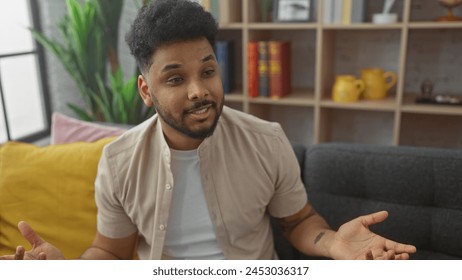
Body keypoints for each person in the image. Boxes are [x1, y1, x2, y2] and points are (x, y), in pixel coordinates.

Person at [1, 0, 416, 260]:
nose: (200, 91)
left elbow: (298, 222)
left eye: (208, 71)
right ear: (146, 89)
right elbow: (110, 250)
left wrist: (334, 244)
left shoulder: (266, 140)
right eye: (176, 79)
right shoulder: (118, 160)